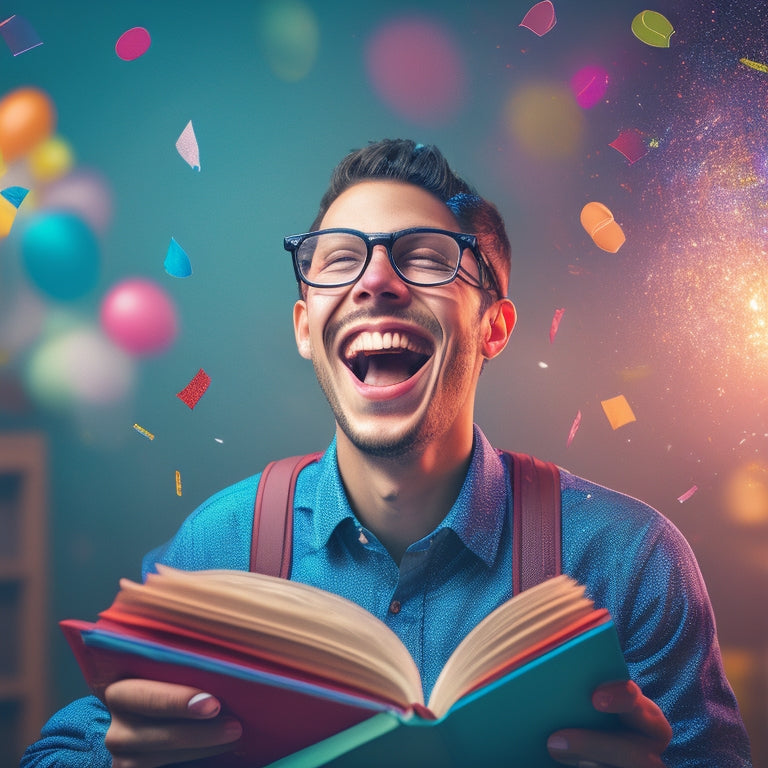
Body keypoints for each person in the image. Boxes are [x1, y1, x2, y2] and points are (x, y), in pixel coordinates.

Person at [23, 139, 751, 768]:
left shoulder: (631, 563)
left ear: (493, 328)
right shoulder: (222, 546)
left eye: (427, 258)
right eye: (339, 260)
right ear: (306, 328)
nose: (376, 280)